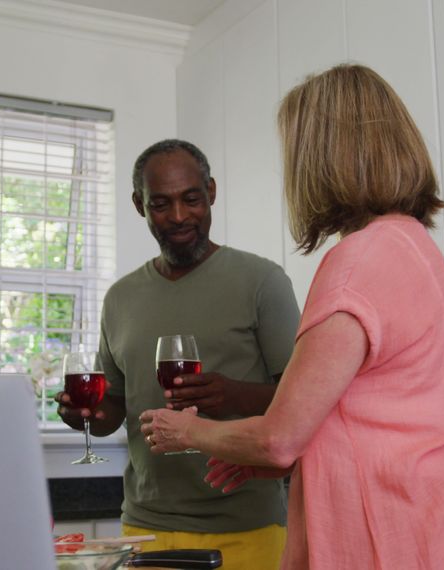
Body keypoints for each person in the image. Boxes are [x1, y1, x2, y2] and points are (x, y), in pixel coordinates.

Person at [139, 65, 444, 569]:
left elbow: (279, 438)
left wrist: (185, 431)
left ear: (323, 158)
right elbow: (366, 420)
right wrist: (300, 460)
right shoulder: (413, 247)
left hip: (381, 549)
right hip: (426, 540)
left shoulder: (359, 262)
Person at [56, 139, 301, 569]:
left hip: (247, 528)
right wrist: (86, 416)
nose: (179, 216)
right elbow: (114, 406)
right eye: (161, 204)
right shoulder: (120, 298)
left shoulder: (262, 281)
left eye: (191, 199)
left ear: (211, 192)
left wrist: (231, 396)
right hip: (145, 527)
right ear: (139, 205)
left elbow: (301, 403)